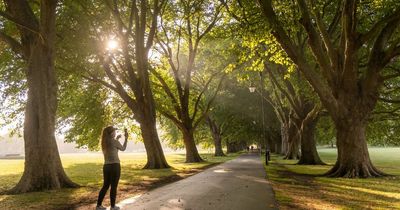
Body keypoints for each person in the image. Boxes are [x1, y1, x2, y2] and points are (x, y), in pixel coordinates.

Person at [96, 126, 128, 210]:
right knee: (114, 186)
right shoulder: (114, 141)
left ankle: (98, 206)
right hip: (115, 166)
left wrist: (117, 139)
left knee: (105, 186)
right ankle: (113, 206)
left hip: (106, 166)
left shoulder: (104, 142)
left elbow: (113, 150)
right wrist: (126, 138)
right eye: (114, 131)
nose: (115, 133)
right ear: (110, 133)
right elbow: (123, 149)